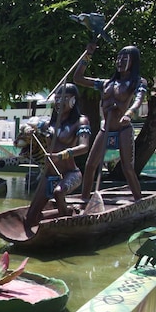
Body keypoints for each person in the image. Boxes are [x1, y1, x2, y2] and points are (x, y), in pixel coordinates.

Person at [72, 42, 147, 202]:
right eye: (118, 58)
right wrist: (87, 55)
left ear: (133, 62)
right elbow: (78, 78)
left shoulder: (137, 82)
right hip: (105, 129)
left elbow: (139, 99)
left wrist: (129, 113)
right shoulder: (105, 83)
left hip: (123, 129)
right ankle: (84, 200)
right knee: (90, 165)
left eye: (124, 59)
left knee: (127, 167)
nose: (119, 62)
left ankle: (139, 200)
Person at [23, 83, 91, 227]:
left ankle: (66, 223)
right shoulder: (49, 123)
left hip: (71, 174)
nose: (59, 102)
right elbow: (29, 125)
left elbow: (84, 147)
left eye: (64, 98)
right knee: (30, 217)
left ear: (73, 100)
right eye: (57, 99)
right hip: (49, 175)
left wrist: (60, 155)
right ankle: (64, 213)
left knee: (58, 192)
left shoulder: (80, 121)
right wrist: (28, 130)